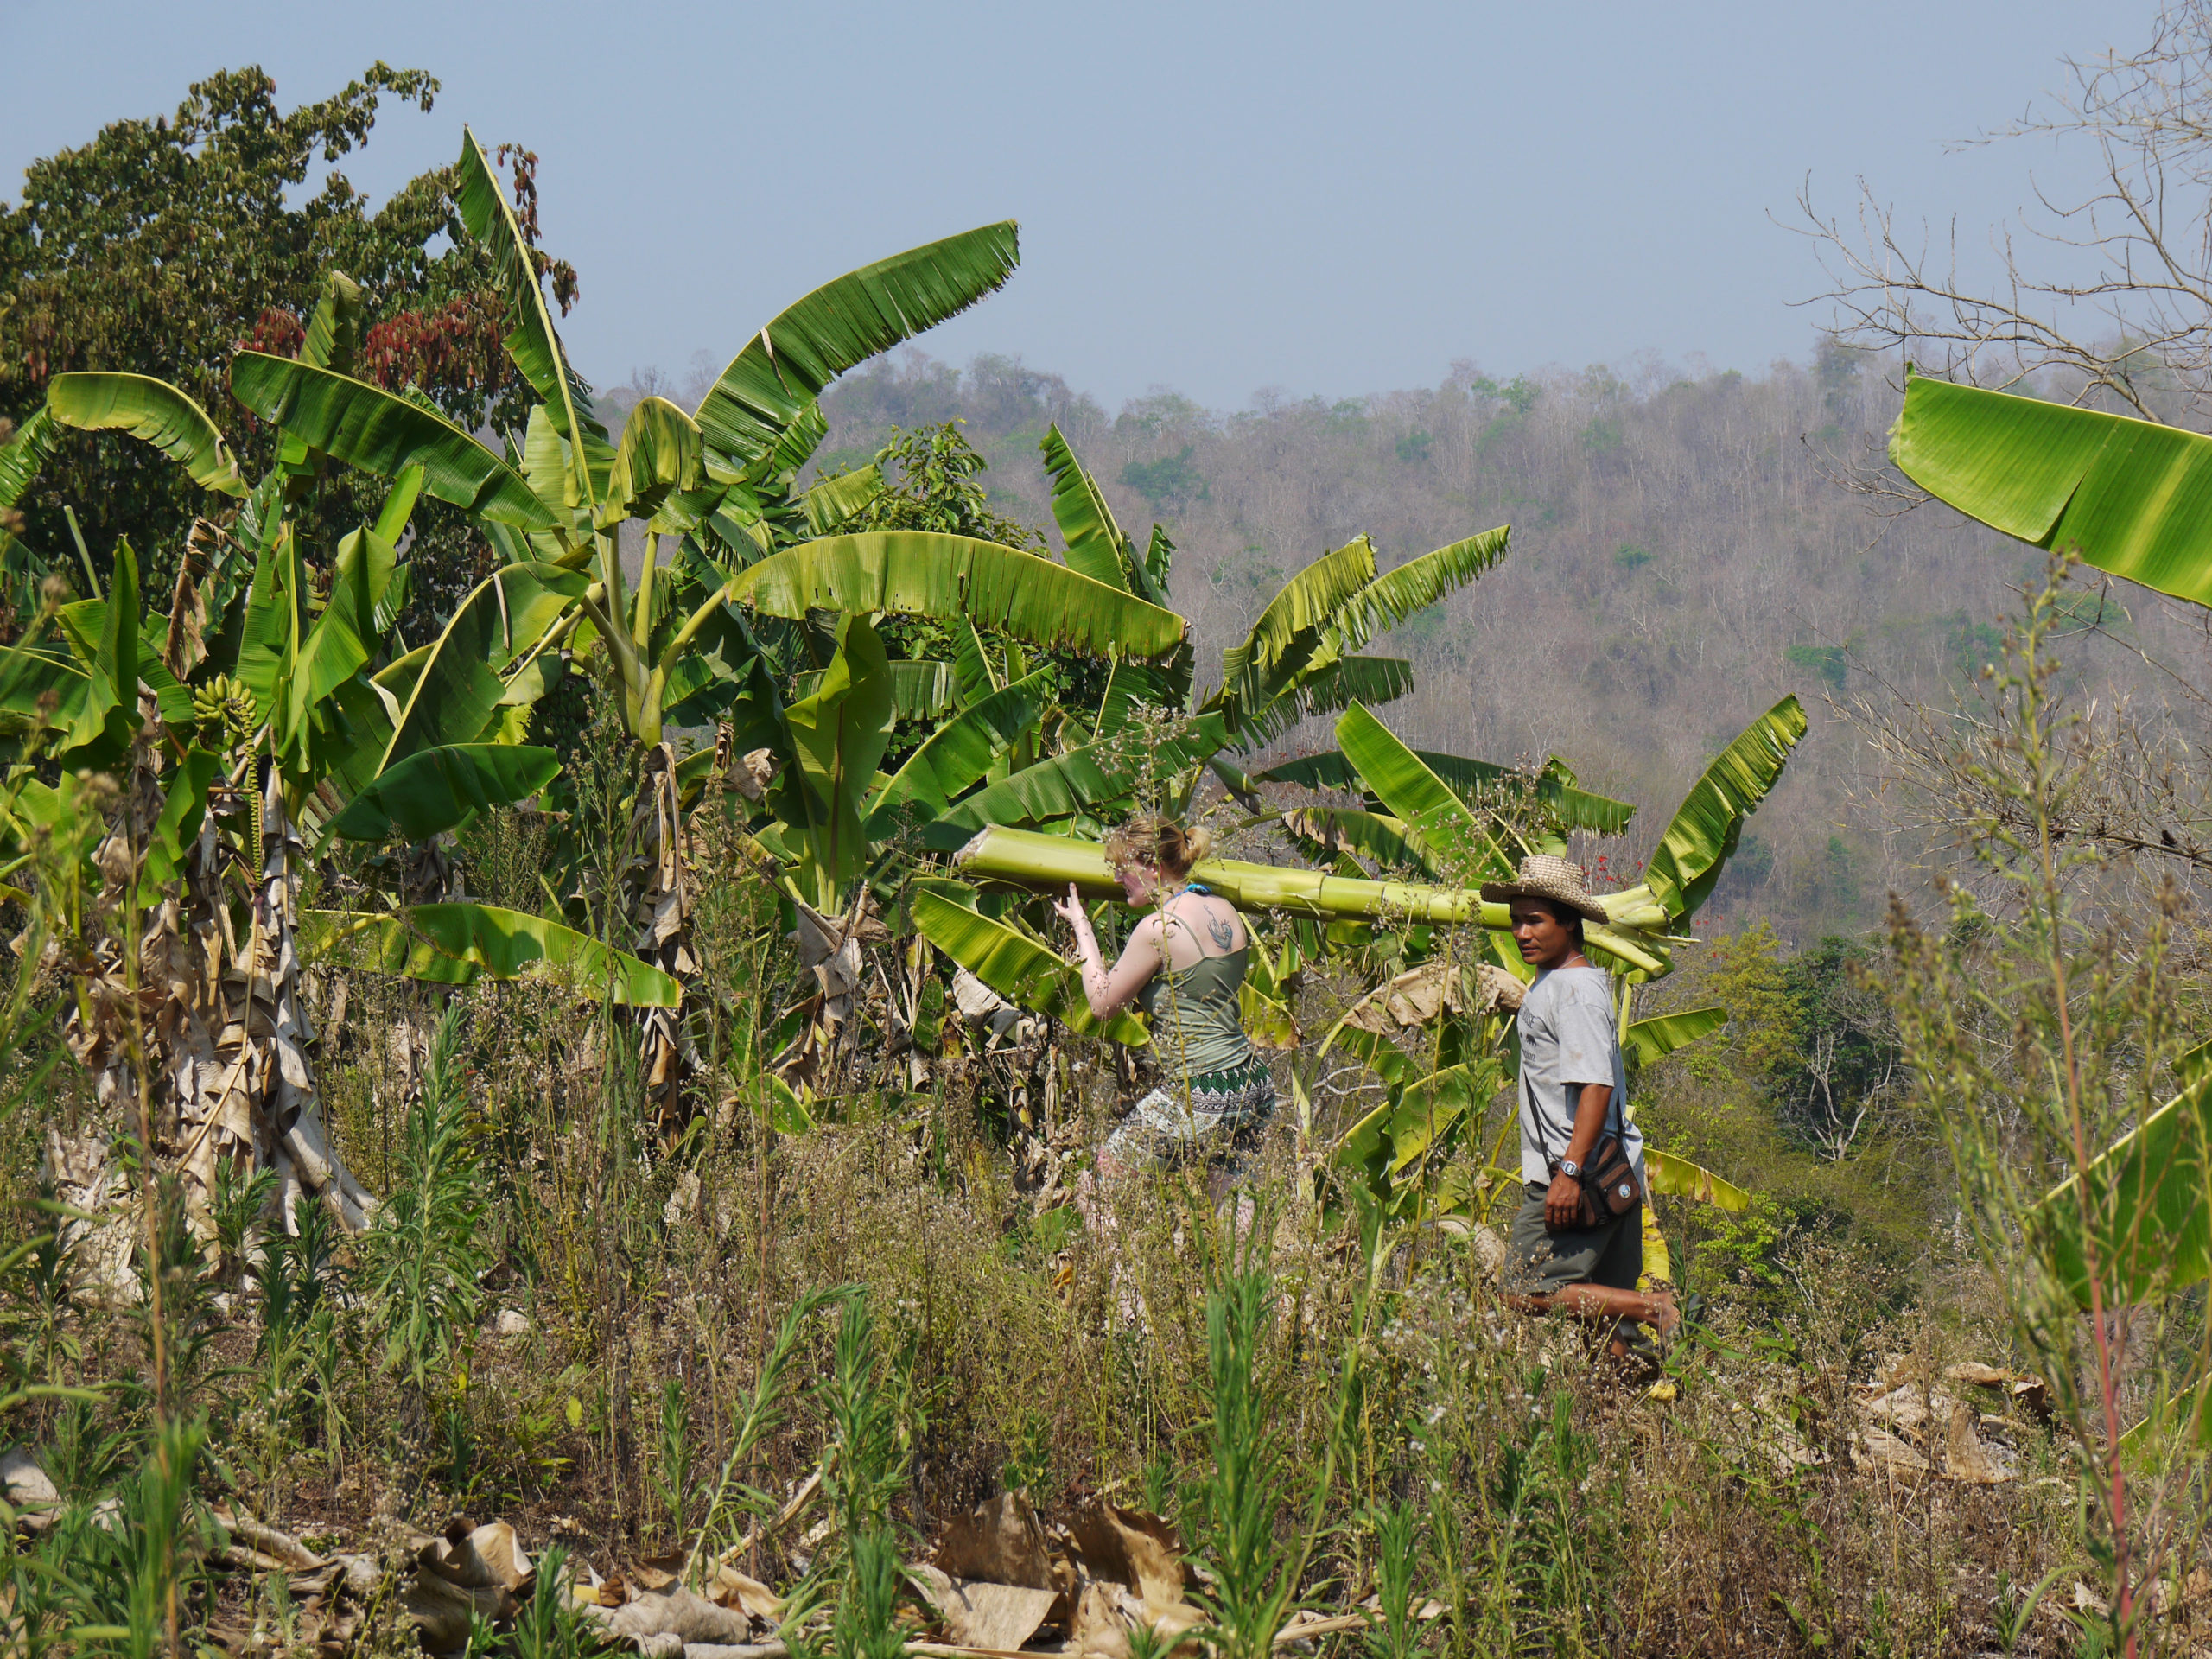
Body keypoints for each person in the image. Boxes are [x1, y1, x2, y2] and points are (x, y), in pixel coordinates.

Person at [1478, 854, 1679, 1363]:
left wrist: (1568, 1172)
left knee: (1520, 1289)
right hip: (1607, 1171)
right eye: (1516, 920)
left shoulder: (1575, 992)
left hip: (1579, 1174)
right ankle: (1627, 1406)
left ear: (1569, 922)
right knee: (1608, 1336)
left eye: (1535, 920)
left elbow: (1596, 1087)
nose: (1521, 933)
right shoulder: (1555, 982)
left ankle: (1654, 1308)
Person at [1051, 817, 1276, 1179]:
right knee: (1224, 1205)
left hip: (1204, 1089)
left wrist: (1081, 925)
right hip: (1253, 1083)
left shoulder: (1158, 929)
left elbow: (1102, 1004)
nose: (1117, 880)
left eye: (1123, 869)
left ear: (1154, 868)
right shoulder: (1225, 909)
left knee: (1105, 1174)